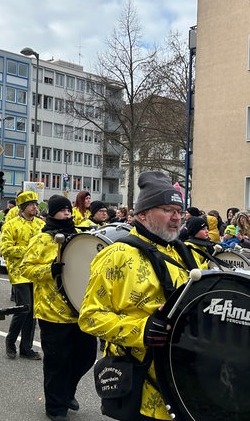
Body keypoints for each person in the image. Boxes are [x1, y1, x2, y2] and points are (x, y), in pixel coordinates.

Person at [79, 171, 195, 421]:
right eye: (167, 209)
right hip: (142, 389)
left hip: (181, 385)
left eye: (179, 210)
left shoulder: (183, 253)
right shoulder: (116, 256)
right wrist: (141, 330)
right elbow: (89, 317)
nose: (176, 217)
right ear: (142, 214)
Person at [21, 195, 97, 421]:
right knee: (57, 362)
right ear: (52, 213)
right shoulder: (42, 239)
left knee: (86, 356)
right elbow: (25, 268)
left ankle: (67, 392)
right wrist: (49, 270)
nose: (66, 213)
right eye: (61, 210)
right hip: (52, 312)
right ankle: (55, 407)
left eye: (68, 209)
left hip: (80, 309)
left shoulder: (78, 237)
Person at [0, 191, 44, 361]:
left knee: (33, 312)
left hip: (37, 273)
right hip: (19, 273)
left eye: (36, 204)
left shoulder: (41, 224)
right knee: (23, 309)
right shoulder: (11, 225)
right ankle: (10, 342)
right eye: (31, 204)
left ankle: (26, 347)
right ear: (23, 207)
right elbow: (6, 250)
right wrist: (29, 251)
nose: (35, 207)